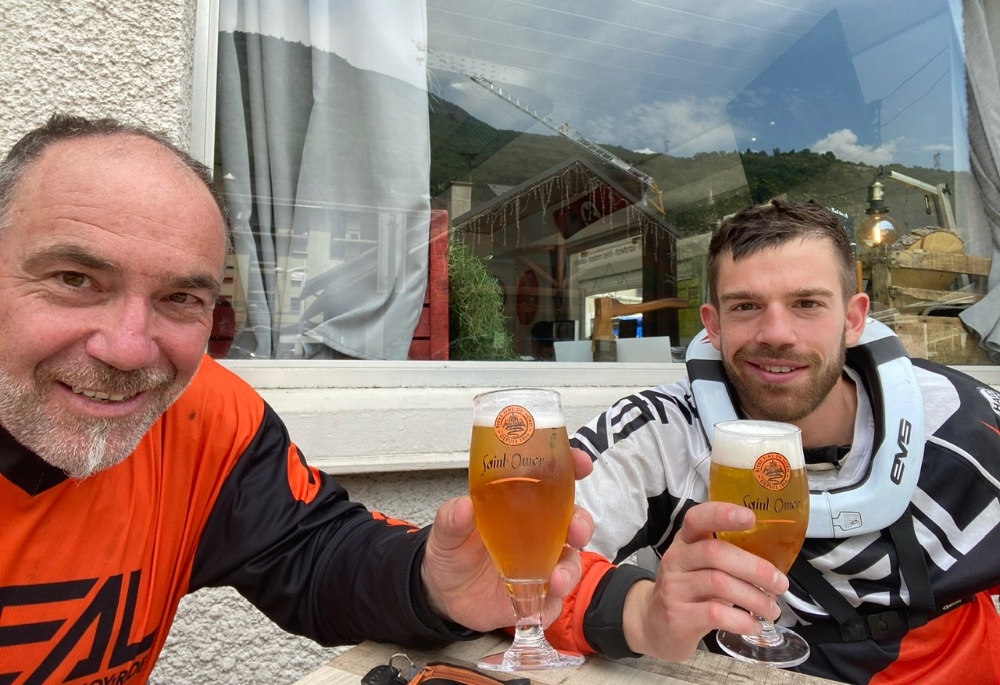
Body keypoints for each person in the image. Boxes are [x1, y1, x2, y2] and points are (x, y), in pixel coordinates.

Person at [0, 113, 593, 683]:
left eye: (180, 298)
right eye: (73, 280)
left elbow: (311, 549)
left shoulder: (202, 416)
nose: (129, 350)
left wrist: (432, 586)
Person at [544, 200, 1000, 683]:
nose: (777, 334)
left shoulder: (959, 415)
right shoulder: (660, 432)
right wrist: (642, 614)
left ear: (854, 319)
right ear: (713, 326)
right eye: (746, 306)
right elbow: (519, 571)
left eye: (807, 304)